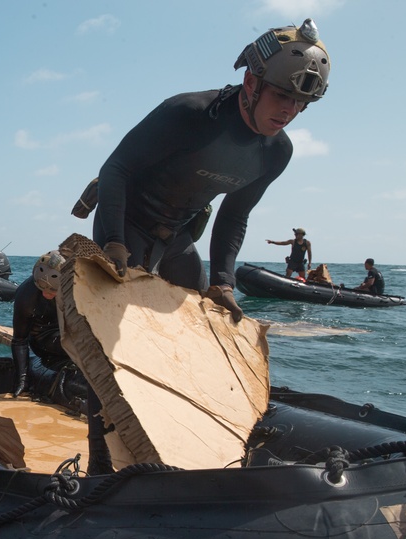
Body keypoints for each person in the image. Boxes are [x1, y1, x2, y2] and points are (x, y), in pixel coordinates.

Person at [75, 18, 330, 475]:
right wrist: (113, 242)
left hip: (178, 237)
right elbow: (116, 169)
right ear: (251, 82)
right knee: (109, 342)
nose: (289, 110)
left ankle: (185, 444)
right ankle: (100, 468)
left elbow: (234, 216)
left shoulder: (276, 152)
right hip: (127, 225)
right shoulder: (187, 113)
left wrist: (226, 282)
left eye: (301, 102)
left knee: (201, 325)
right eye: (281, 95)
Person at [11, 250, 71, 397]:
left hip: (68, 331)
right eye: (42, 289)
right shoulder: (26, 295)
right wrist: (22, 380)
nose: (46, 294)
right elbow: (19, 340)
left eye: (51, 292)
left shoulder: (75, 288)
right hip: (44, 338)